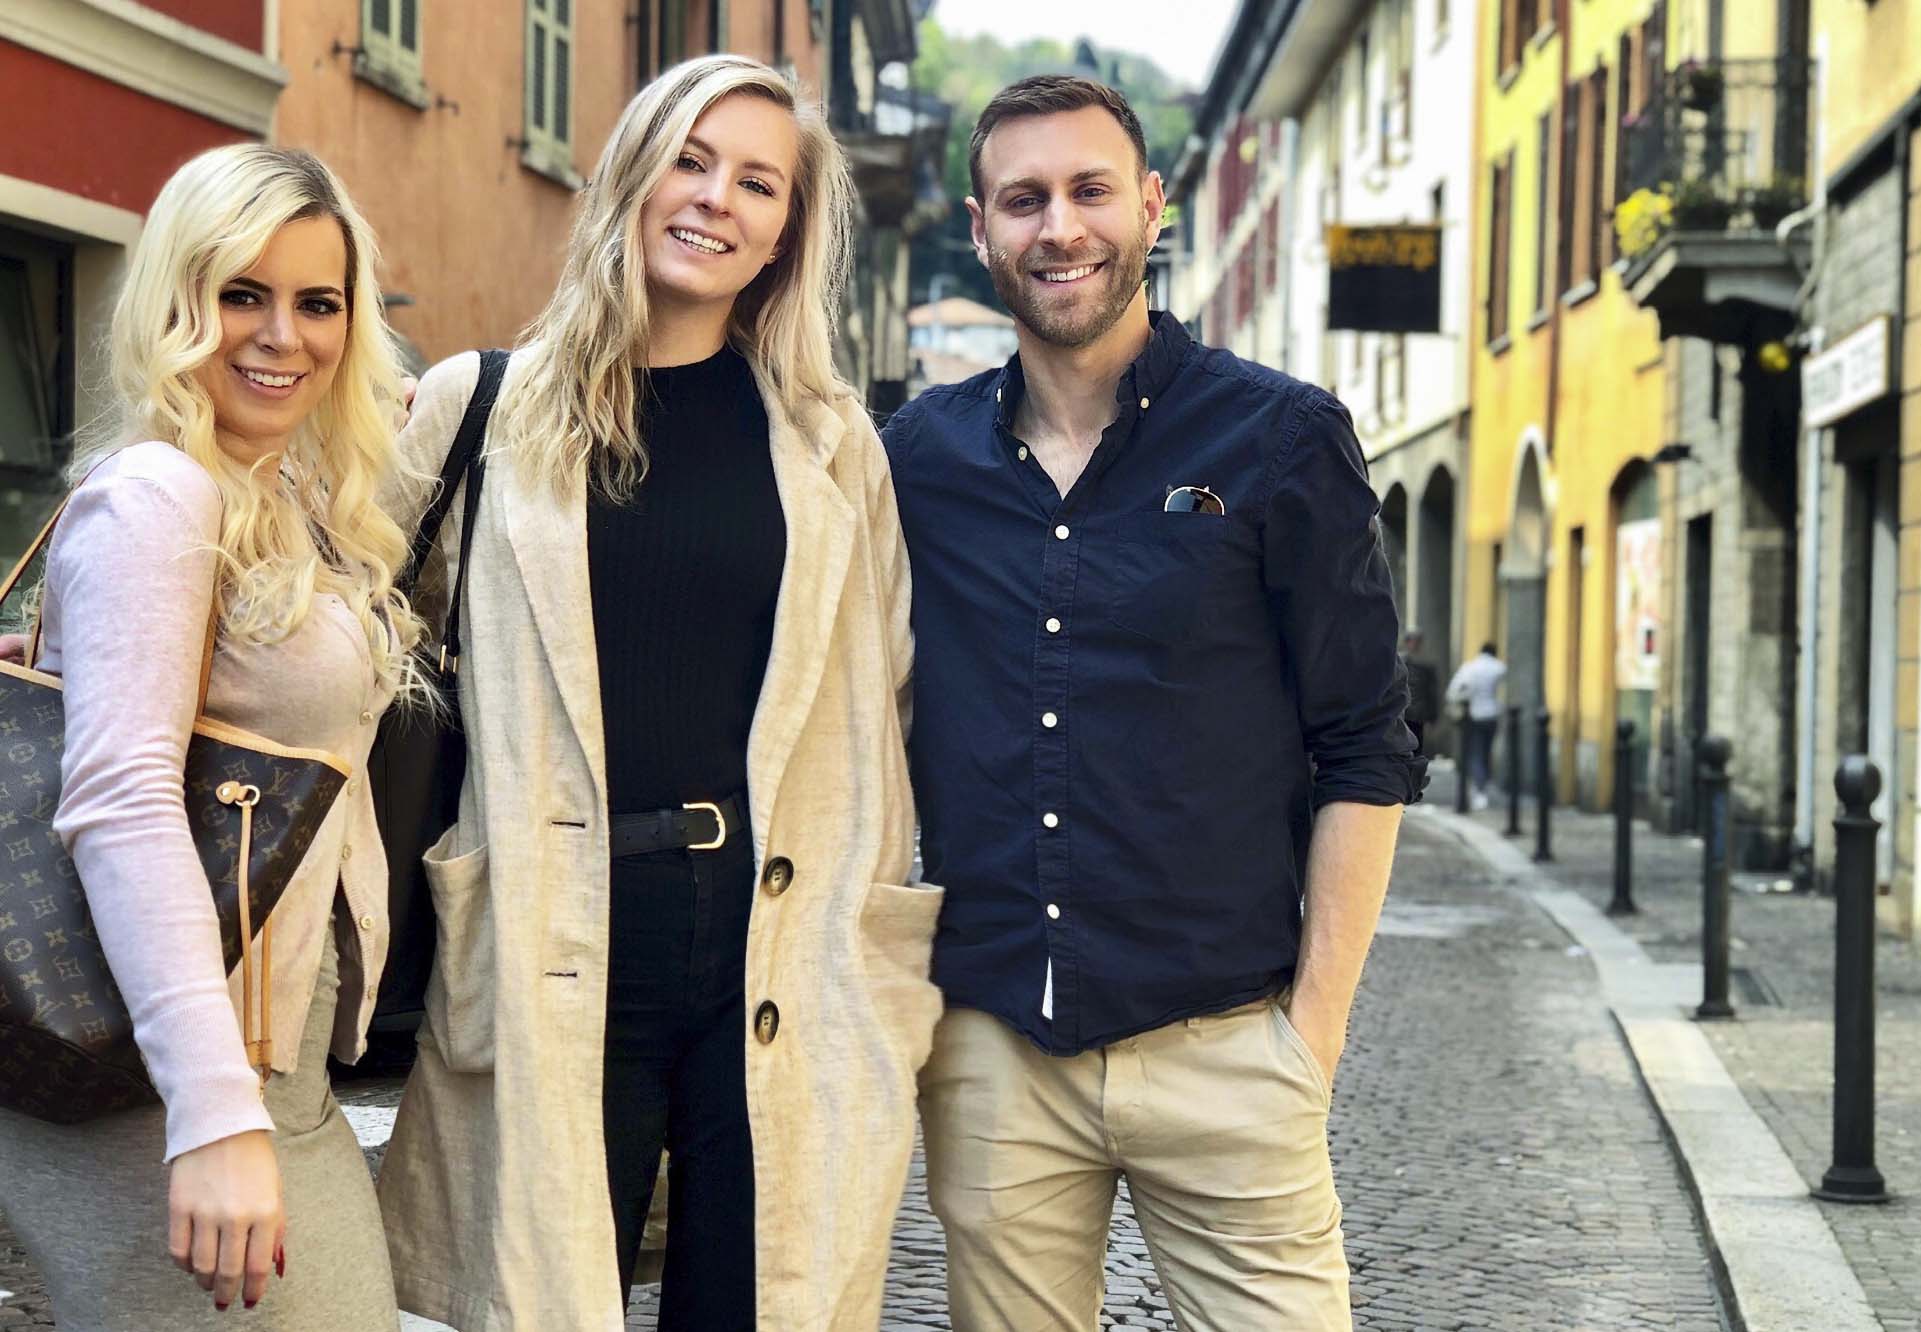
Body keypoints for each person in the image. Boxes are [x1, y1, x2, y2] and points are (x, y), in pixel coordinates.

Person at [373, 55, 941, 1332]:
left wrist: (881, 939)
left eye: (757, 182)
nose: (715, 200)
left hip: (777, 935)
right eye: (690, 159)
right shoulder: (480, 410)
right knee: (547, 1300)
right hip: (551, 930)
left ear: (789, 229)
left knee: (758, 1303)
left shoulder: (829, 437)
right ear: (631, 170)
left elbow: (886, 694)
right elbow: (343, 638)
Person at [881, 76, 1426, 1332]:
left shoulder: (1281, 439)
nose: (1058, 228)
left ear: (1151, 207)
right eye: (1024, 200)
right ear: (979, 228)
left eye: (1088, 191)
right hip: (995, 1053)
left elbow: (1363, 743)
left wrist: (1311, 1043)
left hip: (1228, 1046)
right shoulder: (916, 460)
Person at [0, 144, 420, 1329]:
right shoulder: (160, 496)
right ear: (179, 299)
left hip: (252, 1058)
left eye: (318, 302)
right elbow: (122, 799)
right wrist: (214, 1110)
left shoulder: (284, 496)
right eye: (242, 293)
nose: (281, 334)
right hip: (156, 1070)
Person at [1446, 642, 1508, 809]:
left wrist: (1460, 702)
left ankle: (1479, 789)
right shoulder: (1500, 667)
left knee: (1475, 753)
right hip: (1492, 715)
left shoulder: (1470, 667)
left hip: (1473, 715)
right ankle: (1482, 786)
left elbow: (1454, 690)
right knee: (1486, 752)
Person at [1400, 627, 1442, 751]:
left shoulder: (1427, 665)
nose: (1414, 644)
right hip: (1402, 713)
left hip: (1417, 715)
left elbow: (1432, 692)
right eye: (1411, 641)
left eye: (1417, 641)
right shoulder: (1400, 661)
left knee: (1416, 748)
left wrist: (1433, 717)